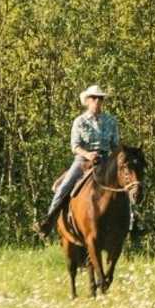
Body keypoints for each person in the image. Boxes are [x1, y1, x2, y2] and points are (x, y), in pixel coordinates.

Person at [35, 84, 120, 237]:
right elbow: (75, 146)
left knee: (125, 185)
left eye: (100, 98)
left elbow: (115, 145)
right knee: (64, 186)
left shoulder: (111, 121)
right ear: (87, 101)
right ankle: (48, 221)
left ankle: (133, 222)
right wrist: (88, 155)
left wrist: (118, 159)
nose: (97, 101)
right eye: (94, 98)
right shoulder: (79, 121)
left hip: (106, 160)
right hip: (83, 161)